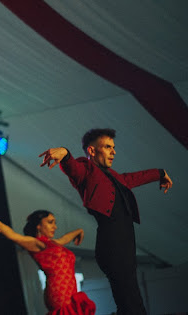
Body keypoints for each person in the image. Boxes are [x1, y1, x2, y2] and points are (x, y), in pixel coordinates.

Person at [39, 128, 172, 315]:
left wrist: (160, 173)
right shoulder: (86, 170)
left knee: (131, 301)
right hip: (112, 244)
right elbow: (72, 168)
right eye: (108, 147)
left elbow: (133, 178)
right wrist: (65, 153)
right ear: (92, 151)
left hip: (125, 244)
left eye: (113, 147)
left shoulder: (114, 176)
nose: (113, 151)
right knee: (131, 303)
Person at [0, 211, 96, 314]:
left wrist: (79, 231)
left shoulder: (54, 243)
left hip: (71, 293)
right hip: (59, 295)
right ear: (38, 226)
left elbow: (65, 238)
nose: (55, 227)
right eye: (50, 222)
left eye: (55, 223)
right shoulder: (36, 243)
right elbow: (14, 236)